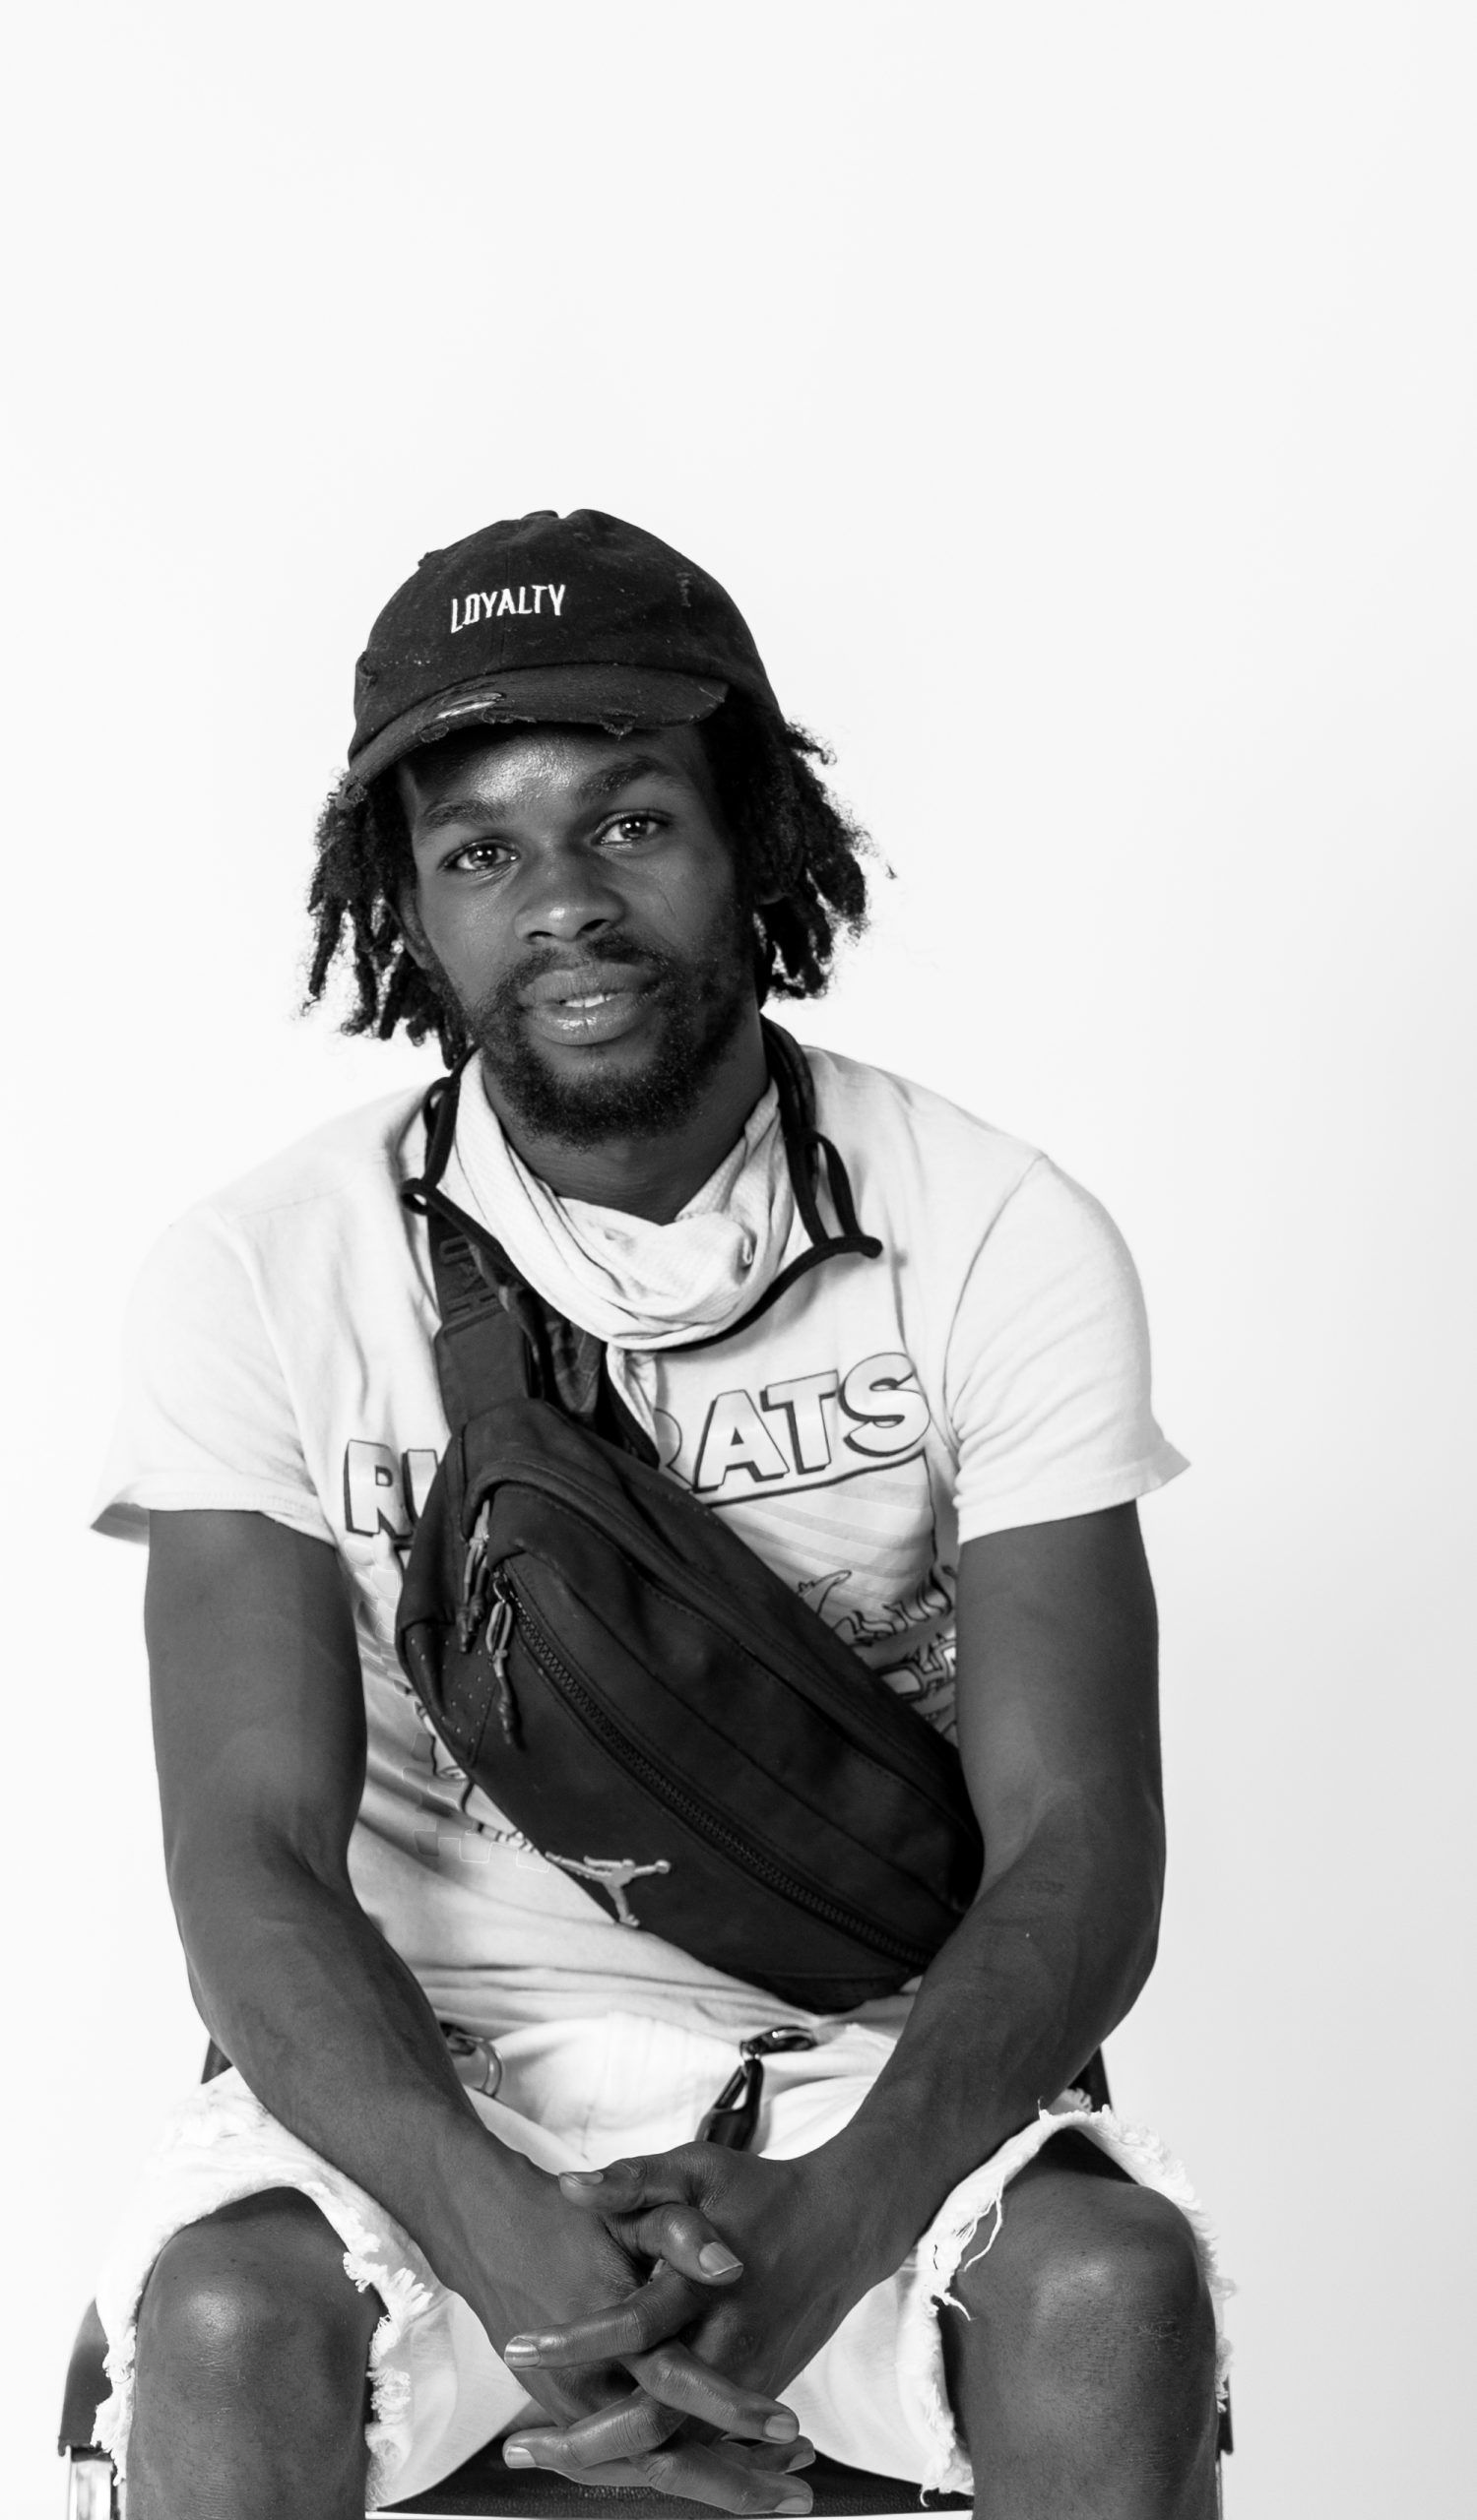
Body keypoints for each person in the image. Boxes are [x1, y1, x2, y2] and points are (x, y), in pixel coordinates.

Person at [88, 510, 1230, 2519]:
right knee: (227, 2324)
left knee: (1107, 2290)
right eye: (481, 849)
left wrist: (830, 2221)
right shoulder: (261, 1267)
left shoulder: (989, 1233)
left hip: (863, 2059)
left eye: (629, 822)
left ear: (752, 842)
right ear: (408, 908)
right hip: (427, 2066)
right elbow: (246, 1852)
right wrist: (498, 2230)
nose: (561, 902)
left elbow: (1081, 1840)